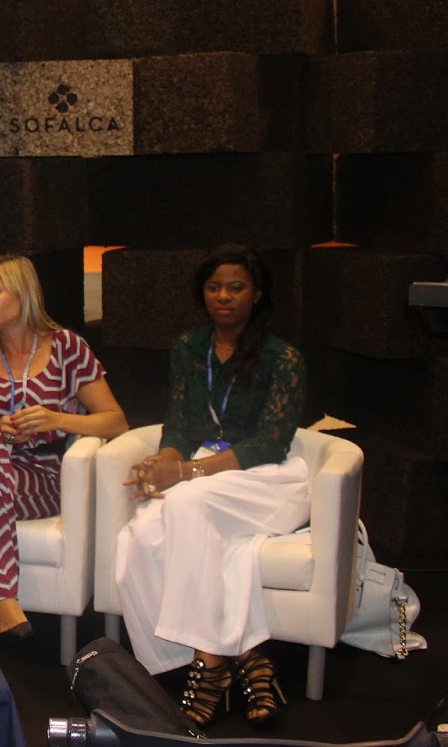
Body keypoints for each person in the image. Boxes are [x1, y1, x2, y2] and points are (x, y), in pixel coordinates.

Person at [114, 244, 309, 726]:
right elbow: (179, 424)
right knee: (139, 536)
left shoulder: (283, 357)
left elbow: (269, 443)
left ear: (257, 294)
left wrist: (183, 474)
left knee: (186, 505)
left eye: (236, 287)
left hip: (266, 478)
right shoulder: (188, 347)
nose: (223, 296)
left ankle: (209, 664)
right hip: (204, 470)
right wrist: (163, 462)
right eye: (214, 287)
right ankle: (244, 656)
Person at [0, 255, 128, 639]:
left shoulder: (67, 347)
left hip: (43, 476)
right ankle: (0, 597)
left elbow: (115, 422)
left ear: (23, 294)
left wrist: (57, 419)